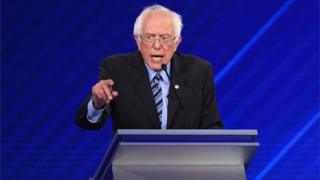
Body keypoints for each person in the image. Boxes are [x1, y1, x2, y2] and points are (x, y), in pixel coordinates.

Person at [76, 4, 223, 131]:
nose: (157, 45)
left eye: (165, 38)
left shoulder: (199, 71)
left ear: (177, 42)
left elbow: (213, 127)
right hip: (135, 161)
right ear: (138, 40)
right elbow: (88, 124)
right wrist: (97, 104)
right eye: (149, 37)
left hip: (186, 161)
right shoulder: (116, 69)